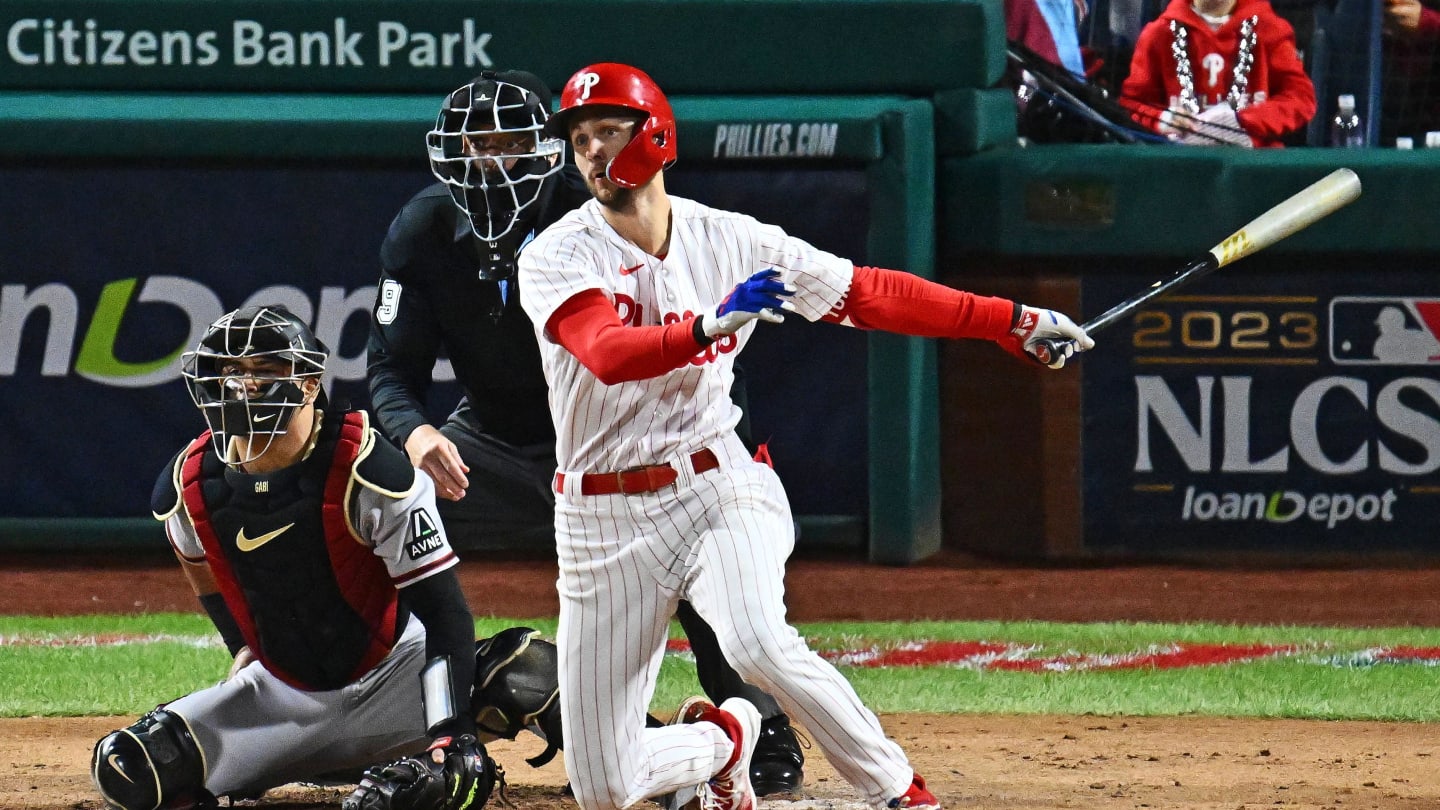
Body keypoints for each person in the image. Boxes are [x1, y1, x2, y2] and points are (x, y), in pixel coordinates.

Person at [516, 62, 1094, 810]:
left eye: (607, 131)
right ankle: (725, 743)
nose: (591, 151)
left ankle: (895, 788)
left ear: (654, 134)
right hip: (599, 521)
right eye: (580, 138)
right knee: (604, 789)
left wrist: (1007, 321)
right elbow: (605, 352)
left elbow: (868, 293)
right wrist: (704, 326)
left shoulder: (728, 240)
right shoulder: (558, 253)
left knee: (756, 638)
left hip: (713, 486)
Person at [365, 69, 806, 797]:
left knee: (701, 536)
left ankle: (753, 716)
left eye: (509, 143)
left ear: (547, 149)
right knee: (385, 510)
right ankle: (379, 716)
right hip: (495, 444)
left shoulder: (605, 211)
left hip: (624, 438)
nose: (491, 161)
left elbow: (698, 344)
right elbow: (389, 371)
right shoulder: (422, 230)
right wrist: (413, 435)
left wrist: (727, 458)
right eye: (476, 145)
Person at [90, 305, 499, 810]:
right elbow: (202, 570)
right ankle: (309, 756)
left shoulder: (370, 470)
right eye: (231, 373)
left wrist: (449, 732)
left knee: (525, 671)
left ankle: (603, 771)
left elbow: (443, 613)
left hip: (396, 672)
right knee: (126, 767)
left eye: (265, 371)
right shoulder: (189, 484)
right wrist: (240, 643)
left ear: (308, 384)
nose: (244, 386)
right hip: (281, 694)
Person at [1120, 0, 1316, 146]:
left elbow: (1301, 98)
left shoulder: (1270, 29)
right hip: (1178, 167)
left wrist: (1245, 120)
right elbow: (1130, 105)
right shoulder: (1159, 33)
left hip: (1255, 165)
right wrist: (1163, 119)